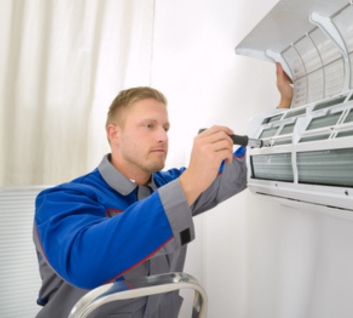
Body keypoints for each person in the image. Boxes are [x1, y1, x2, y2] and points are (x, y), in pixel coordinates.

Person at [33, 63, 293, 317]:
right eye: (149, 126)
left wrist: (284, 106)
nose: (162, 137)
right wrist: (190, 182)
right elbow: (85, 264)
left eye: (165, 128)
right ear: (115, 134)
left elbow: (243, 166)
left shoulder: (171, 186)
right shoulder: (60, 200)